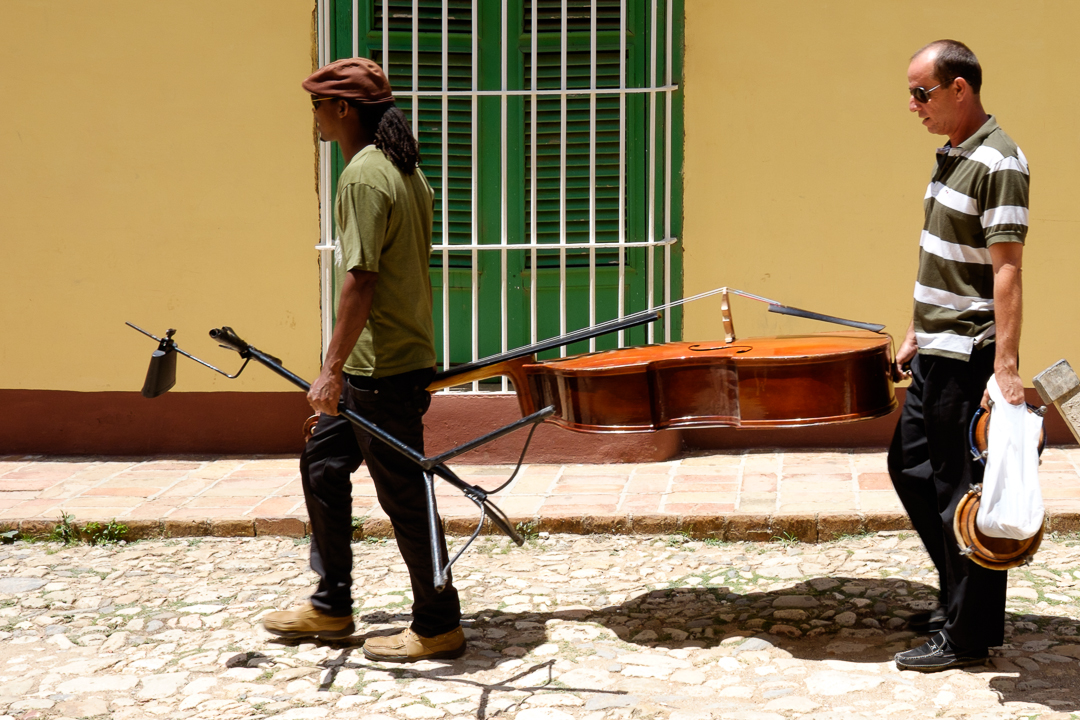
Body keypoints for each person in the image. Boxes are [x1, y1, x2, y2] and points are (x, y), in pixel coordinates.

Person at [261, 57, 466, 663]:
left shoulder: (364, 176)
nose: (315, 118)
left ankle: (437, 624)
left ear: (344, 109)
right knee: (323, 462)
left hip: (382, 369)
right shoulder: (403, 169)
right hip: (381, 364)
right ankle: (331, 606)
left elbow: (362, 280)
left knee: (403, 493)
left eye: (319, 107)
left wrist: (329, 369)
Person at [889, 40, 1029, 672]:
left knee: (960, 491)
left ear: (959, 89)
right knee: (910, 467)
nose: (913, 104)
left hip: (969, 352)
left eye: (922, 92)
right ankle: (960, 600)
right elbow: (945, 257)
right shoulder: (953, 154)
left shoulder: (999, 161)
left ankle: (968, 635)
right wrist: (917, 328)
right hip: (935, 345)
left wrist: (1005, 367)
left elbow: (1006, 272)